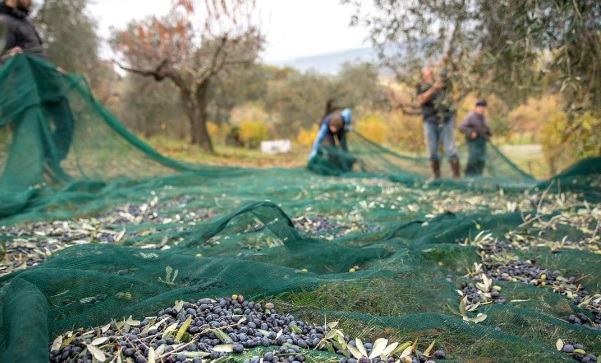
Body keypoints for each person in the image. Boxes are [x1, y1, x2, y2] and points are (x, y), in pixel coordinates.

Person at [1, 0, 73, 181]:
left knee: (66, 123)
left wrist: (52, 68)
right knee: (39, 134)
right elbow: (3, 57)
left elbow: (34, 54)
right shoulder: (4, 21)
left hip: (48, 83)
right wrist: (8, 57)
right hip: (29, 89)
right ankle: (45, 172)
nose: (32, 1)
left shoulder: (24, 20)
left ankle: (50, 163)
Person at [416, 65, 460, 179]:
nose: (430, 72)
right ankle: (436, 177)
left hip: (446, 119)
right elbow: (421, 100)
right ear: (423, 74)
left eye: (431, 70)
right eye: (427, 70)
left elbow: (451, 98)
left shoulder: (443, 83)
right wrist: (433, 89)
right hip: (430, 121)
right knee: (432, 152)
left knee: (451, 150)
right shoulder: (421, 86)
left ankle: (457, 177)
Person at [458, 99, 492, 177]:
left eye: (483, 107)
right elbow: (461, 127)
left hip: (482, 141)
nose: (481, 109)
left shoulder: (484, 118)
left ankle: (478, 176)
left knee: (481, 159)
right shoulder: (471, 116)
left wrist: (489, 134)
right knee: (473, 158)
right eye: (480, 107)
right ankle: (468, 176)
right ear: (476, 108)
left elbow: (486, 129)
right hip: (473, 141)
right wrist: (470, 132)